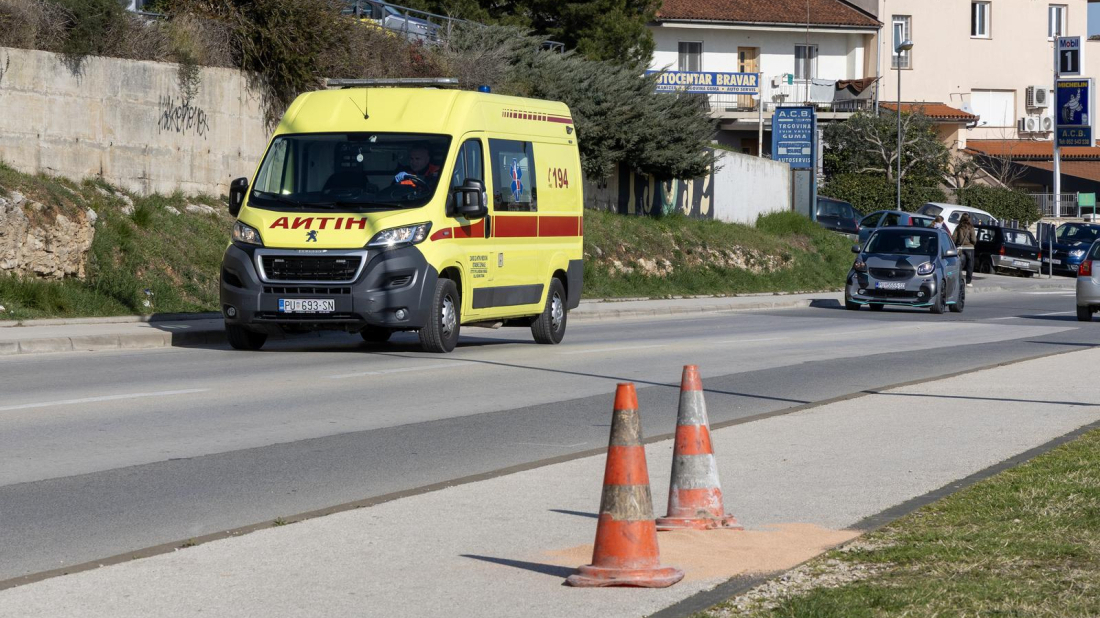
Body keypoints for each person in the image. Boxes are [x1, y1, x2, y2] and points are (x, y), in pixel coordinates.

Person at [953, 213, 977, 287]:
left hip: (960, 248)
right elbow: (973, 239)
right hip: (970, 248)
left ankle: (958, 280)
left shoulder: (958, 227)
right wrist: (973, 243)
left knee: (959, 265)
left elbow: (954, 238)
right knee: (970, 265)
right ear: (969, 219)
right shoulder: (971, 228)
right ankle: (968, 282)